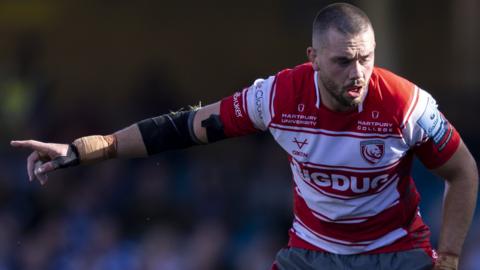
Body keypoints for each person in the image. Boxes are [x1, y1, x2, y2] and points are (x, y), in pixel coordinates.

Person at [11, 3, 478, 270]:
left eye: (366, 59)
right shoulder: (277, 97)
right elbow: (184, 129)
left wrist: (452, 254)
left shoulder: (405, 104)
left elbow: (463, 172)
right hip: (312, 255)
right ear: (313, 57)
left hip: (396, 254)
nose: (357, 74)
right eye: (342, 61)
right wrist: (85, 148)